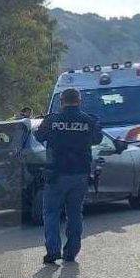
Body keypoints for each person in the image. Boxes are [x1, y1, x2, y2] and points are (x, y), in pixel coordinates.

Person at [34, 88, 102, 265]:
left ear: (61, 102)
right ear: (79, 101)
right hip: (79, 174)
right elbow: (98, 140)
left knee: (51, 213)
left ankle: (53, 250)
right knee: (74, 213)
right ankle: (71, 252)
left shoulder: (52, 120)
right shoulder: (89, 121)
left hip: (56, 174)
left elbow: (38, 136)